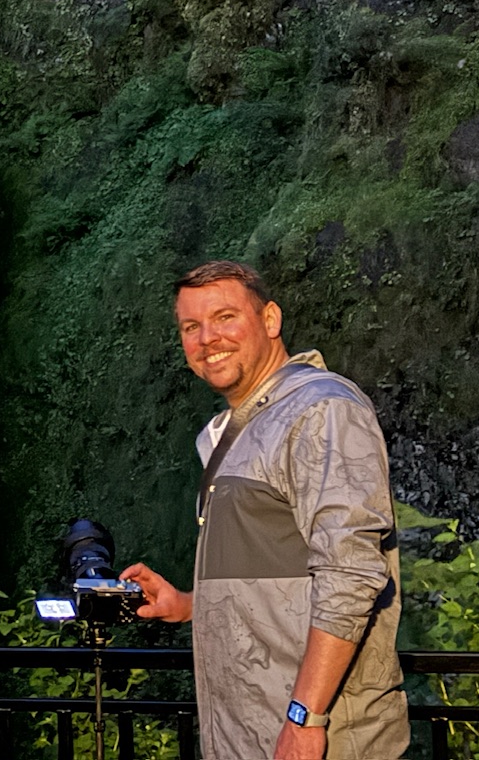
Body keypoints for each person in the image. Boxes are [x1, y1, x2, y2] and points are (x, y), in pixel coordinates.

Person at [120, 262, 408, 760]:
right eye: (191, 327)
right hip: (248, 732)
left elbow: (352, 572)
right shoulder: (241, 428)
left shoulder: (321, 410)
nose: (208, 338)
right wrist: (190, 603)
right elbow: (279, 571)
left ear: (270, 319)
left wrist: (306, 717)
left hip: (323, 738)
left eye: (225, 316)